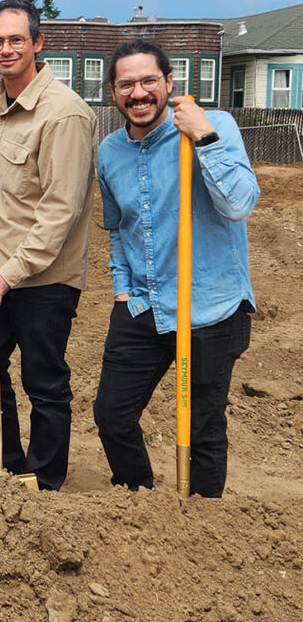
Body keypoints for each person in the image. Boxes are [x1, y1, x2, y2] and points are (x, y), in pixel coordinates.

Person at [93, 39, 256, 497]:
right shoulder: (110, 151)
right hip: (143, 304)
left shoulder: (215, 125)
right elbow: (118, 228)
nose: (138, 93)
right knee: (112, 415)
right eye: (126, 84)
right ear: (113, 92)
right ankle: (142, 504)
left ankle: (198, 522)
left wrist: (204, 137)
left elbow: (239, 205)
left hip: (210, 306)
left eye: (148, 80)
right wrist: (122, 287)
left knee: (203, 426)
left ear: (168, 82)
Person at [0, 0, 96, 490]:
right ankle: (11, 466)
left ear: (38, 43)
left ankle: (45, 482)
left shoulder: (65, 115)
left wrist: (11, 274)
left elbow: (61, 211)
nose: (6, 49)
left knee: (44, 381)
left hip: (43, 277)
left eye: (16, 40)